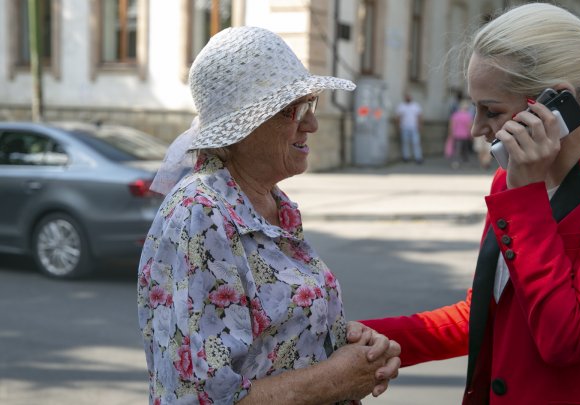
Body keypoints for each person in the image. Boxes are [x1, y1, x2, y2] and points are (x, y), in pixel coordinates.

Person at [362, 3, 580, 404]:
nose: (478, 127)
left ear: (554, 103)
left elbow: (568, 337)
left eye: (491, 111)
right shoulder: (510, 180)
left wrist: (524, 200)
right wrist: (361, 338)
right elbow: (489, 314)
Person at [137, 26, 400, 405]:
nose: (312, 124)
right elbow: (202, 397)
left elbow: (272, 338)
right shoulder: (201, 213)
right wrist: (336, 378)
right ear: (244, 126)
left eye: (313, 104)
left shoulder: (273, 204)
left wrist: (347, 342)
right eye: (296, 109)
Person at [395, 92, 424, 164]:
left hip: (414, 127)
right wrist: (398, 126)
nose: (408, 98)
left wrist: (420, 125)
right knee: (405, 143)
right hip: (404, 127)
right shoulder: (401, 106)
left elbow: (419, 116)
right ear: (405, 98)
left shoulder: (416, 106)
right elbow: (398, 117)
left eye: (409, 96)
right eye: (406, 97)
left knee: (416, 142)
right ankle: (406, 157)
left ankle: (418, 157)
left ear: (411, 97)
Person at [445, 99, 474, 169]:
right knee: (465, 149)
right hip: (465, 136)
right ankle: (465, 162)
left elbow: (451, 125)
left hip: (456, 135)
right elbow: (469, 126)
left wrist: (450, 134)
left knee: (457, 150)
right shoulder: (468, 116)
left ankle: (456, 162)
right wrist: (471, 135)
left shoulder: (455, 115)